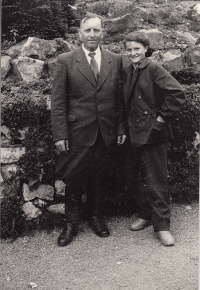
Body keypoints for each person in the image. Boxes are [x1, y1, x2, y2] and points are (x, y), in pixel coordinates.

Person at [51, 16, 126, 246]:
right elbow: (58, 101)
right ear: (80, 34)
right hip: (77, 132)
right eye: (87, 30)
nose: (92, 34)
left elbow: (120, 99)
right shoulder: (65, 60)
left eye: (96, 30)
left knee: (99, 177)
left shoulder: (115, 60)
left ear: (103, 32)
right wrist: (61, 134)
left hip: (106, 131)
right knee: (74, 178)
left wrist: (121, 127)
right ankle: (71, 223)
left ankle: (95, 217)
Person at [123, 31, 186, 246]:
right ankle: (145, 214)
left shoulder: (153, 68)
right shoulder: (130, 69)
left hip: (153, 133)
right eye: (129, 49)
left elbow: (177, 93)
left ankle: (163, 226)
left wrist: (160, 118)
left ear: (145, 49)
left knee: (156, 179)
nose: (133, 53)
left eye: (137, 49)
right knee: (140, 176)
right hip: (135, 132)